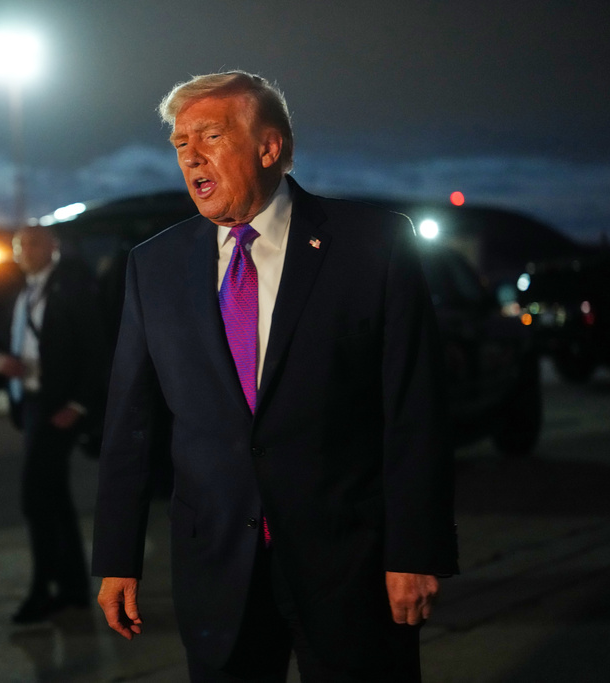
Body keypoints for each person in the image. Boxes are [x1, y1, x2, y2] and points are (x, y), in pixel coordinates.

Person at [92, 71, 458, 681]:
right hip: (215, 567)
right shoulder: (153, 265)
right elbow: (131, 423)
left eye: (210, 136)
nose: (190, 156)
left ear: (269, 147)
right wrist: (116, 556)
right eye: (180, 143)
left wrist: (415, 551)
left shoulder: (374, 244)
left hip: (351, 565)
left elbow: (415, 411)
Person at [0, 224, 108, 624]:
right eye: (19, 245)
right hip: (30, 403)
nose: (25, 251)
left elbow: (96, 349)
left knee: (36, 498)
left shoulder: (71, 288)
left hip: (56, 407)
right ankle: (72, 588)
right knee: (53, 497)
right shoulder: (21, 292)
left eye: (33, 243)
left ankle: (44, 589)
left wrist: (78, 404)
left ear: (52, 247)